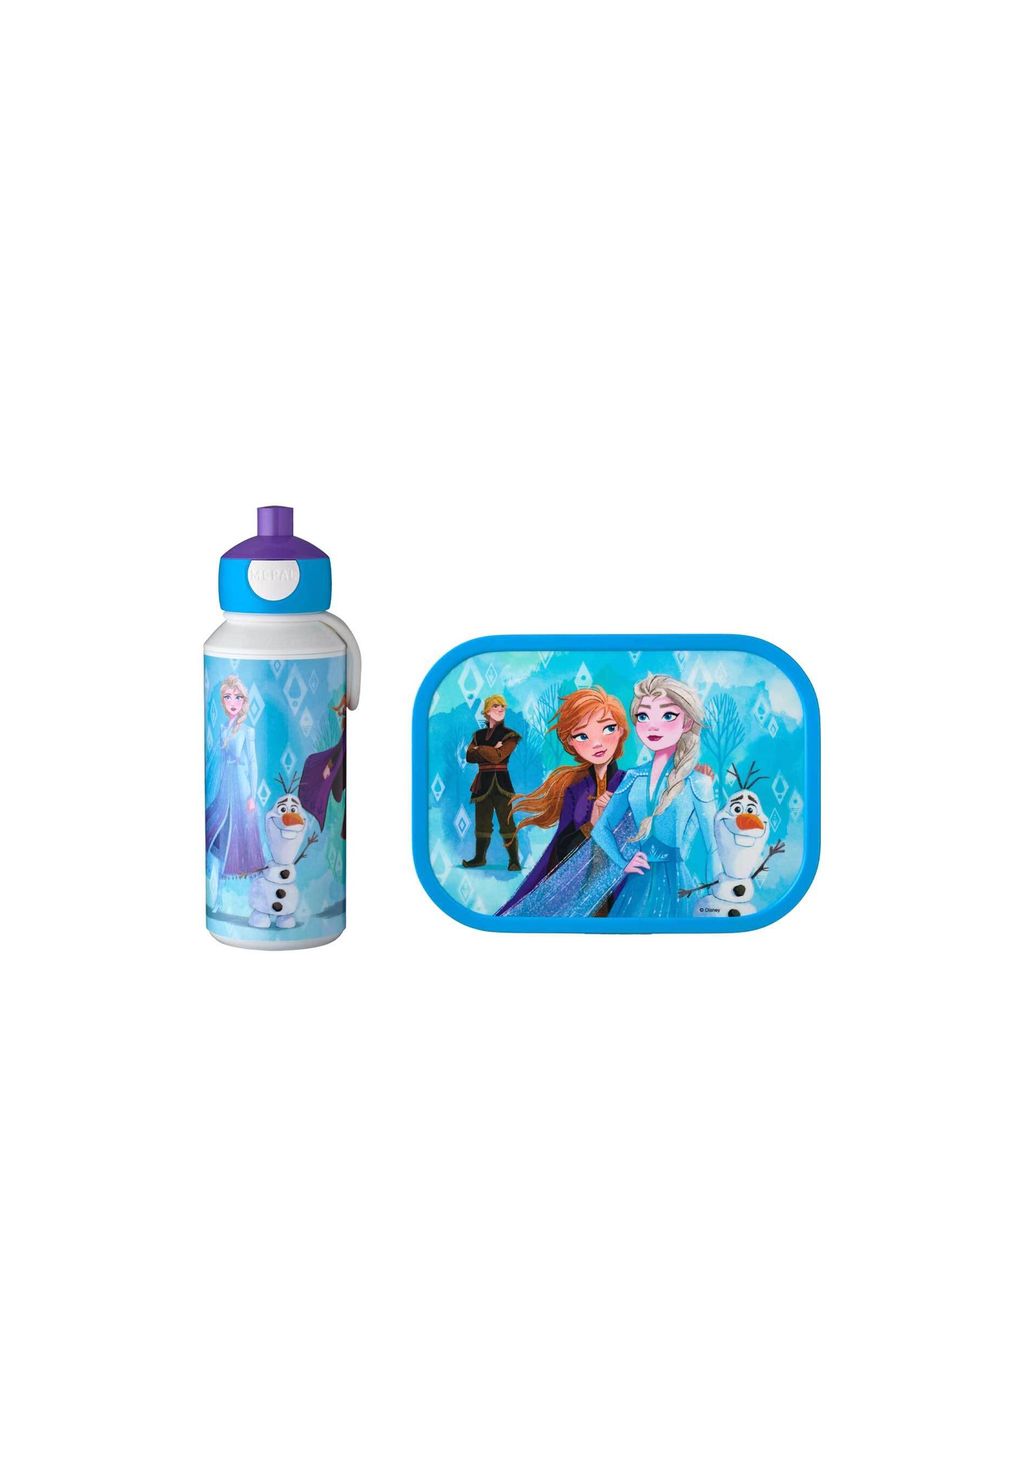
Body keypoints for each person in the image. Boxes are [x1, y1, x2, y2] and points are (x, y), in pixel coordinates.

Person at [590, 675, 720, 918]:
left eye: (668, 715)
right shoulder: (632, 777)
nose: (652, 726)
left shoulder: (697, 782)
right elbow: (601, 829)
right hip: (638, 882)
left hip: (677, 883)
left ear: (687, 722)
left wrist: (718, 896)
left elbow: (713, 845)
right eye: (643, 716)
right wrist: (623, 862)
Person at [497, 687, 627, 916]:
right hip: (581, 887)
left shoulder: (629, 783)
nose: (597, 743)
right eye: (583, 736)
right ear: (570, 742)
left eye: (608, 728)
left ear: (621, 731)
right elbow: (562, 845)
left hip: (623, 883)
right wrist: (591, 827)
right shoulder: (575, 789)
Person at [462, 694, 522, 870]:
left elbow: (498, 757)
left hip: (502, 784)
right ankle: (479, 858)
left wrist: (479, 749)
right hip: (482, 784)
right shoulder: (478, 734)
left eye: (503, 706)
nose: (501, 708)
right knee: (482, 823)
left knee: (507, 823)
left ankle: (514, 861)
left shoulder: (510, 735)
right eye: (496, 706)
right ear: (487, 711)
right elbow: (469, 757)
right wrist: (488, 749)